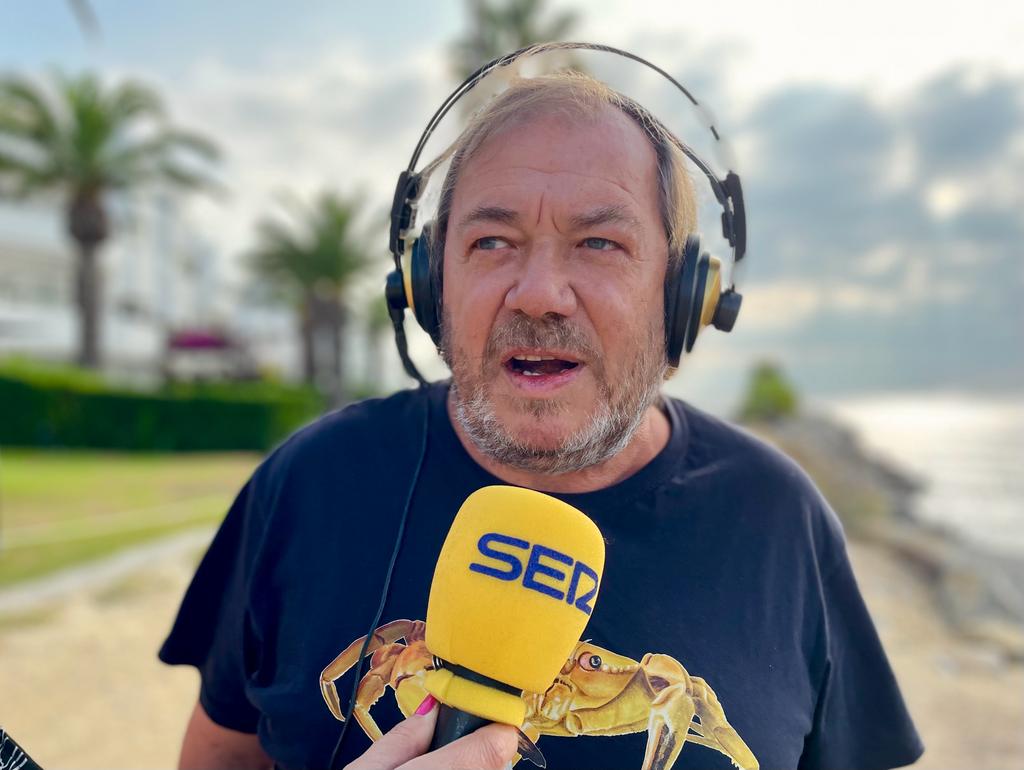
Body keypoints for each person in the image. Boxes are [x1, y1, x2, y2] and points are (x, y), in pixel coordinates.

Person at [159, 70, 924, 770]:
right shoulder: (308, 483)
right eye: (492, 241)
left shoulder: (780, 520)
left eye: (600, 242)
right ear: (430, 286)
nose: (539, 294)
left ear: (682, 297)